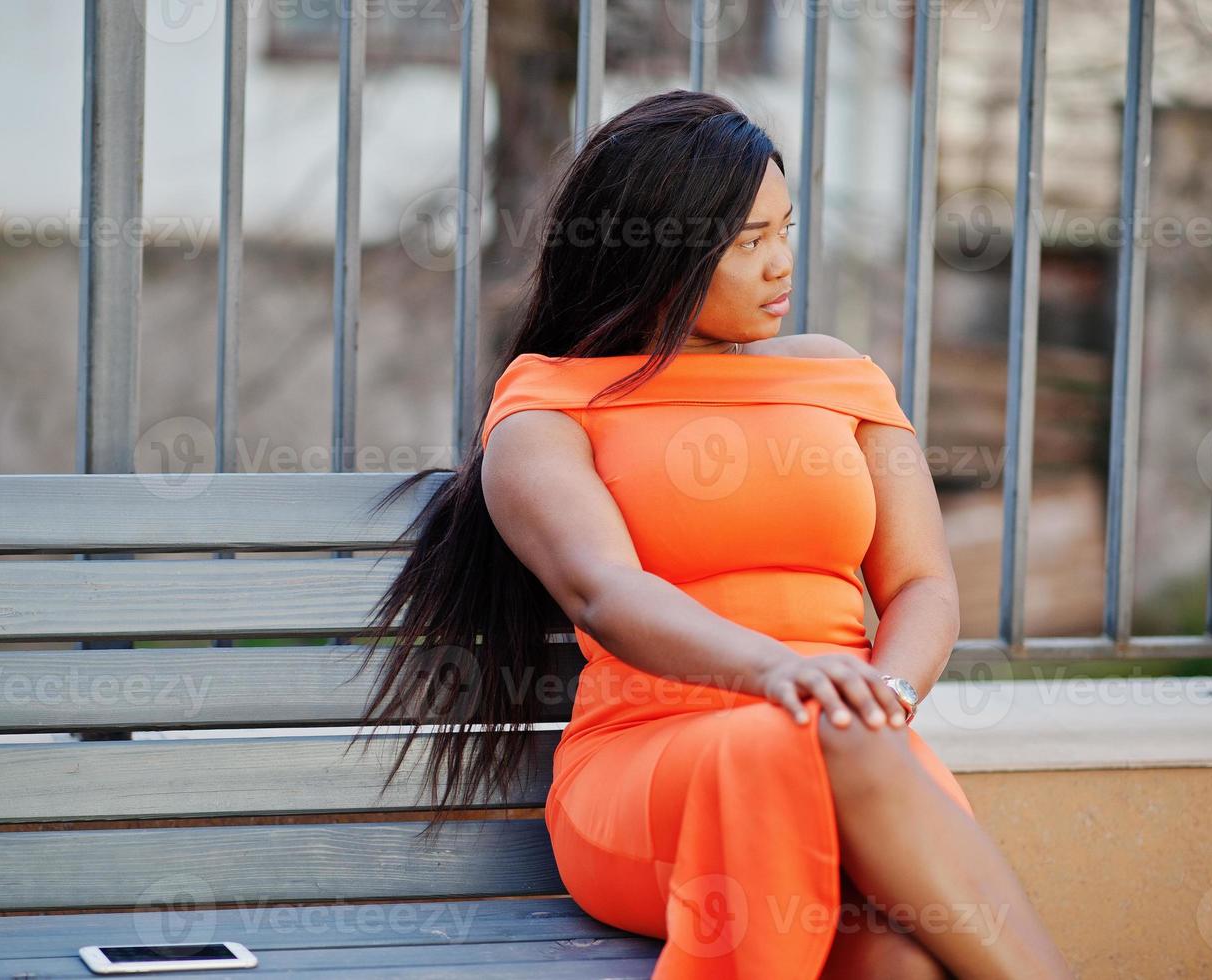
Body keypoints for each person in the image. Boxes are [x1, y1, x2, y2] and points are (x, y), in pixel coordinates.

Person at [351, 89, 1073, 979]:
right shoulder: (550, 405)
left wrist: (878, 696)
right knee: (809, 732)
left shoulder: (840, 379)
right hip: (653, 776)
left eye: (786, 229)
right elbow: (603, 591)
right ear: (659, 253)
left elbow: (923, 586)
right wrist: (781, 673)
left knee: (898, 969)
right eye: (746, 244)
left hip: (858, 752)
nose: (781, 265)